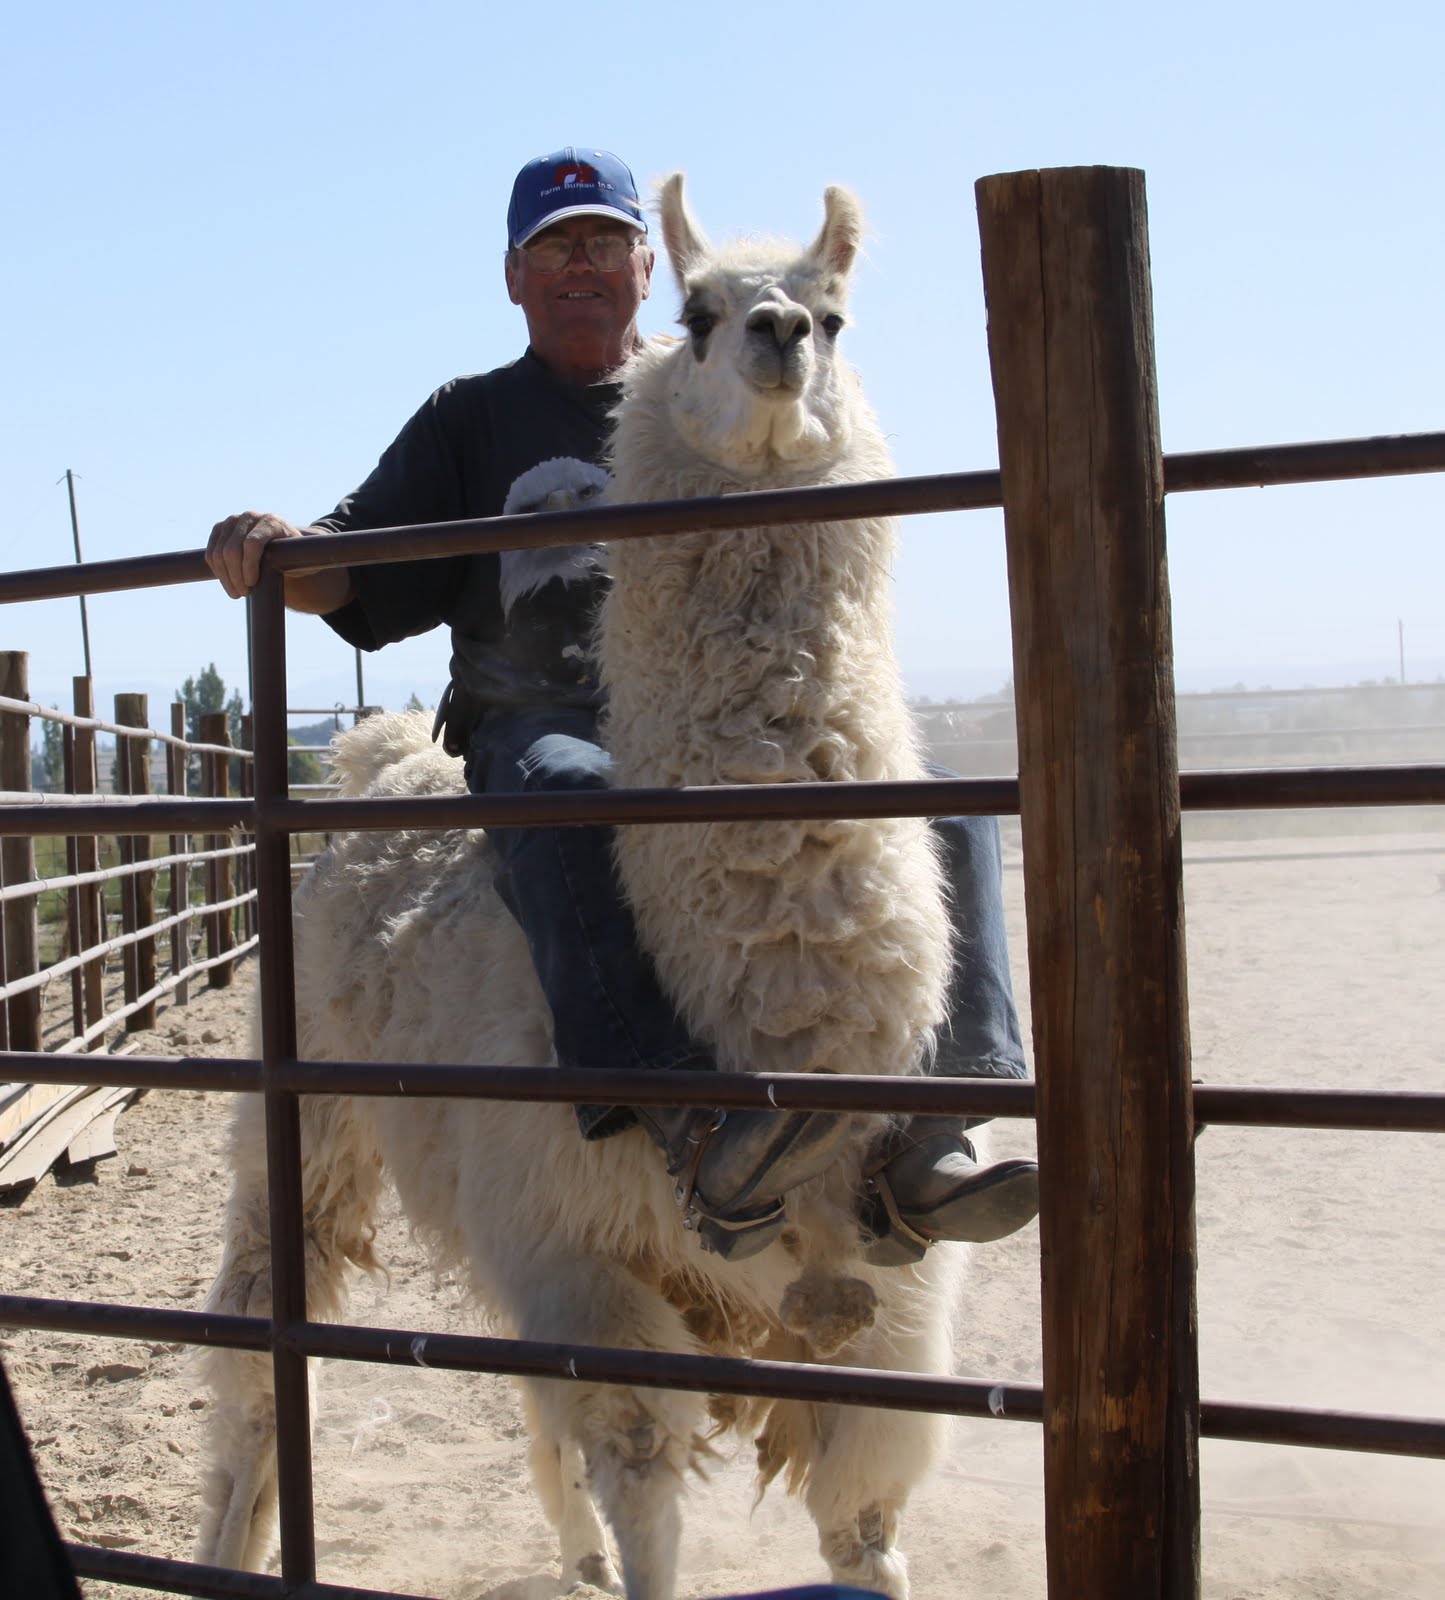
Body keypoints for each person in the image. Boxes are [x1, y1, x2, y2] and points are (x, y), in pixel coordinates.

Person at [207, 146, 1039, 1263]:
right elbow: (350, 565)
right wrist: (274, 549)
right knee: (570, 790)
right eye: (553, 247)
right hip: (540, 720)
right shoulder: (473, 419)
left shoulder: (703, 384)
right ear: (514, 276)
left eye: (602, 242)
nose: (579, 265)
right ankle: (689, 1120)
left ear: (644, 268)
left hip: (707, 720)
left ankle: (949, 1107)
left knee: (935, 797)